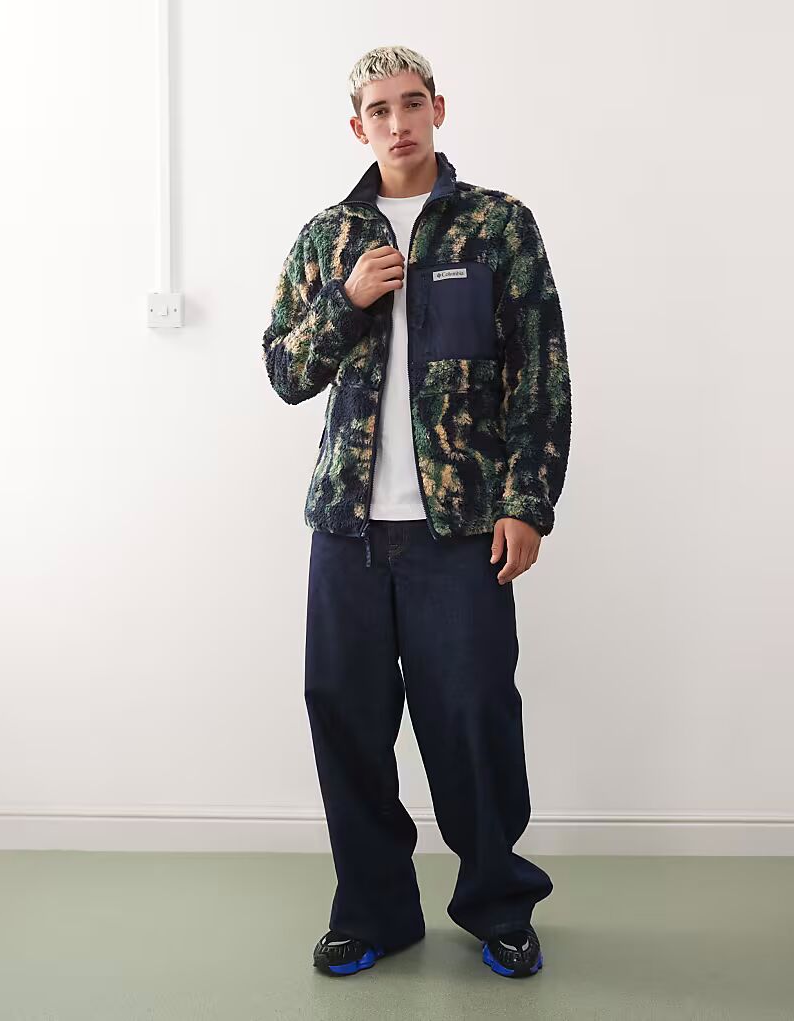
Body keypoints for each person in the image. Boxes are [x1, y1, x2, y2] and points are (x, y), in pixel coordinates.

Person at [262, 44, 572, 980]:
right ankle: (373, 913)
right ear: (356, 125)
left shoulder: (498, 224)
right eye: (378, 110)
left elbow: (540, 376)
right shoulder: (328, 238)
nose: (397, 123)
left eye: (411, 103)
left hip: (462, 529)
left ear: (438, 108)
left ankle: (499, 905)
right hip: (347, 530)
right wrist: (348, 299)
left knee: (474, 720)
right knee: (346, 720)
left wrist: (528, 502)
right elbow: (284, 369)